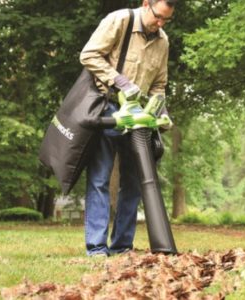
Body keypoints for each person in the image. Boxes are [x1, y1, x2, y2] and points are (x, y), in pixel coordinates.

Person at [79, 0, 176, 256]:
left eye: (166, 20)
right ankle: (97, 247)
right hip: (109, 109)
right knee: (100, 179)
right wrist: (119, 80)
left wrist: (161, 111)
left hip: (140, 117)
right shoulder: (120, 20)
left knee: (133, 182)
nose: (160, 24)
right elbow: (88, 54)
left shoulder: (162, 41)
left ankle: (122, 246)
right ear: (146, 4)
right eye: (158, 17)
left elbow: (159, 84)